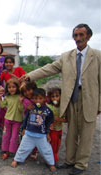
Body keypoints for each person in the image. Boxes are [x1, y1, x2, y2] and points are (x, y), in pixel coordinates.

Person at [21, 24, 101, 175]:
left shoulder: (97, 56)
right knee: (71, 132)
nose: (78, 38)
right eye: (75, 35)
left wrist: (100, 104)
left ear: (88, 36)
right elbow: (49, 68)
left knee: (86, 134)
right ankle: (70, 161)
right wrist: (30, 75)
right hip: (71, 99)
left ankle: (81, 164)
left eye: (81, 35)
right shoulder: (66, 56)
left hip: (89, 99)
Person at [11, 88, 56, 172]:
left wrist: (48, 133)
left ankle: (51, 163)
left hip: (41, 135)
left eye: (40, 98)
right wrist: (24, 128)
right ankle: (16, 160)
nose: (38, 100)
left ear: (45, 98)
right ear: (33, 99)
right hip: (29, 134)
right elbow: (26, 119)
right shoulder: (30, 108)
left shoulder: (48, 111)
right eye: (35, 98)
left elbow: (48, 124)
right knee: (23, 148)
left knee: (46, 150)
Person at [0, 79, 24, 160]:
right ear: (7, 88)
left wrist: (20, 102)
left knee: (14, 137)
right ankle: (6, 151)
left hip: (17, 120)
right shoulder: (7, 97)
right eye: (9, 87)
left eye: (13, 87)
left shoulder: (20, 97)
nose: (11, 89)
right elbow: (2, 106)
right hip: (8, 119)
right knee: (6, 135)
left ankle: (13, 151)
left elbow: (21, 109)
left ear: (17, 87)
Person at [47, 87, 67, 165]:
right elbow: (46, 118)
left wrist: (59, 119)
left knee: (58, 142)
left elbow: (66, 119)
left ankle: (55, 154)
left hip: (59, 128)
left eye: (57, 96)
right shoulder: (49, 107)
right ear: (49, 97)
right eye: (53, 96)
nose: (55, 98)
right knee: (53, 142)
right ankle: (51, 157)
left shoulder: (62, 107)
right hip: (52, 129)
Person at [20, 81, 38, 160]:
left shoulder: (38, 97)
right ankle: (26, 150)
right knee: (26, 136)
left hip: (38, 122)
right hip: (27, 122)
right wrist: (26, 108)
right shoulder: (24, 100)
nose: (27, 93)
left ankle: (34, 151)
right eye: (25, 91)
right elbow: (22, 111)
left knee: (36, 136)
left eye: (29, 90)